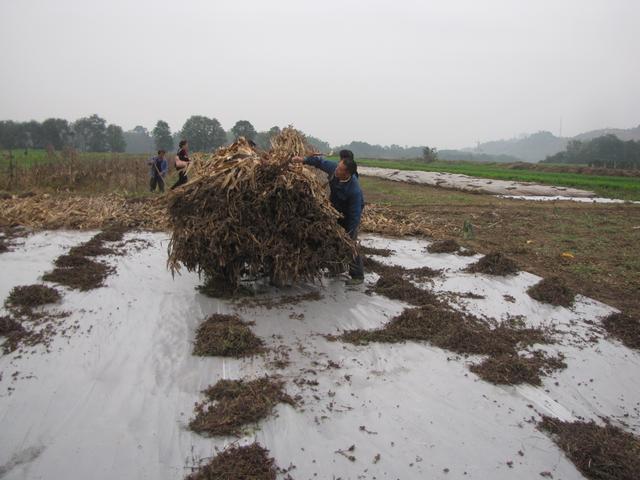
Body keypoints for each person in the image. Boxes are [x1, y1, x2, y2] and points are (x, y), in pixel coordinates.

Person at [293, 149, 365, 285]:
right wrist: (302, 159)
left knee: (349, 243)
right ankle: (336, 269)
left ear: (347, 173)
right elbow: (319, 162)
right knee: (332, 237)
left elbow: (355, 215)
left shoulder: (354, 190)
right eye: (338, 166)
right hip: (335, 208)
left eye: (340, 169)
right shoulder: (335, 169)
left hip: (350, 214)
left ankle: (358, 276)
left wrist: (349, 232)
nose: (337, 169)